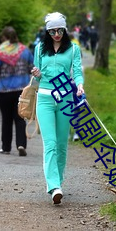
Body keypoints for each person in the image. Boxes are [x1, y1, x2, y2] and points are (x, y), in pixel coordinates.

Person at [31, 12, 84, 204]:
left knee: (62, 145)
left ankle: (58, 182)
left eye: (60, 30)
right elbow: (37, 77)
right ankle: (53, 186)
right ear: (47, 31)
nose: (56, 34)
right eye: (52, 31)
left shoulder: (73, 49)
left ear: (65, 29)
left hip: (65, 99)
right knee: (50, 143)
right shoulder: (39, 49)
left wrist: (79, 85)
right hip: (44, 99)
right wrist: (36, 73)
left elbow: (77, 71)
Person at [0, 26, 34, 156]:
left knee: (6, 119)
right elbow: (32, 68)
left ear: (4, 38)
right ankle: (21, 144)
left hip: (4, 90)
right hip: (21, 90)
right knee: (20, 118)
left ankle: (6, 147)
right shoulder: (25, 51)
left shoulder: (0, 52)